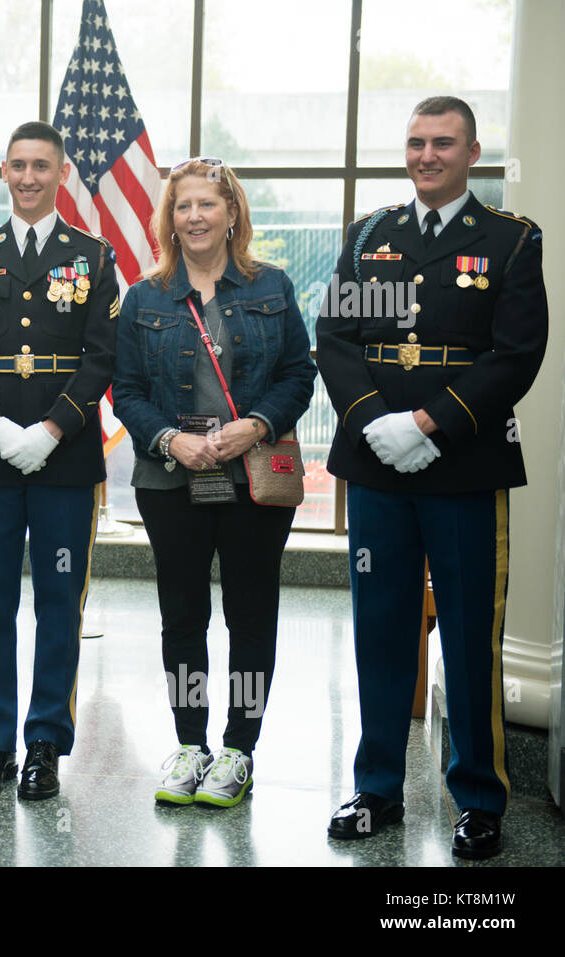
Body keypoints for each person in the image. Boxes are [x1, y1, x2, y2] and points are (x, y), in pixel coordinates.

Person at [318, 96, 547, 859]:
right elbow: (336, 338)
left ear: (473, 152)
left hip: (465, 465)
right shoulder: (368, 236)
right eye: (416, 142)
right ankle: (377, 786)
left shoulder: (511, 240)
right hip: (376, 465)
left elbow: (516, 355)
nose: (426, 155)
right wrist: (374, 421)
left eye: (443, 143)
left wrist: (428, 423)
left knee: (471, 632)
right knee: (380, 627)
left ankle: (478, 797)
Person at [111, 158, 316, 807]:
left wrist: (256, 424)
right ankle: (191, 743)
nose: (194, 216)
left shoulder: (271, 285)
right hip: (171, 478)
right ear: (169, 219)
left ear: (232, 214)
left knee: (250, 614)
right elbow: (126, 390)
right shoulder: (143, 296)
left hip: (252, 479)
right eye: (183, 206)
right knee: (182, 616)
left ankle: (238, 749)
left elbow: (299, 375)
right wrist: (171, 439)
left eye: (207, 204)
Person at [0, 121, 117, 801]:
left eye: (42, 165)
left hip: (64, 462)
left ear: (62, 173)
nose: (29, 177)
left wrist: (50, 430)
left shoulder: (93, 257)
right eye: (18, 165)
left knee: (60, 601)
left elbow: (103, 356)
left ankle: (44, 742)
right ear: (4, 172)